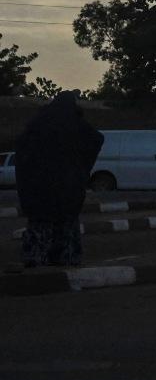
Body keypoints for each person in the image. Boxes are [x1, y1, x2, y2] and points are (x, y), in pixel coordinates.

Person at [14, 91, 104, 268]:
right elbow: (96, 139)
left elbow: (22, 149)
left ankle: (36, 257)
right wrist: (81, 166)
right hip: (68, 186)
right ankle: (66, 257)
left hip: (38, 186)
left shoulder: (39, 124)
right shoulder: (77, 126)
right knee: (66, 223)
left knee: (41, 223)